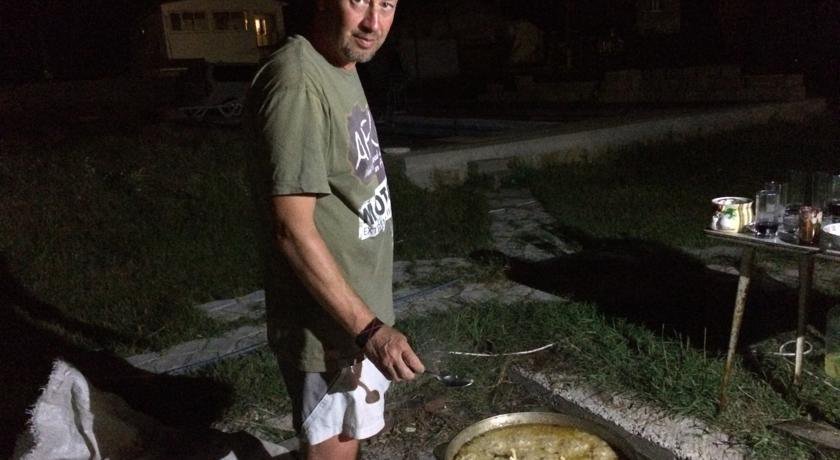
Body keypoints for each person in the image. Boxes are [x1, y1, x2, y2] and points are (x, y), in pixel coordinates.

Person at [245, 0, 425, 458]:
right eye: (358, 0)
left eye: (386, 5)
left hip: (353, 322)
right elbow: (291, 230)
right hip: (329, 331)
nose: (372, 22)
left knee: (350, 441)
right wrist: (371, 331)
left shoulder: (340, 65)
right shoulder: (297, 82)